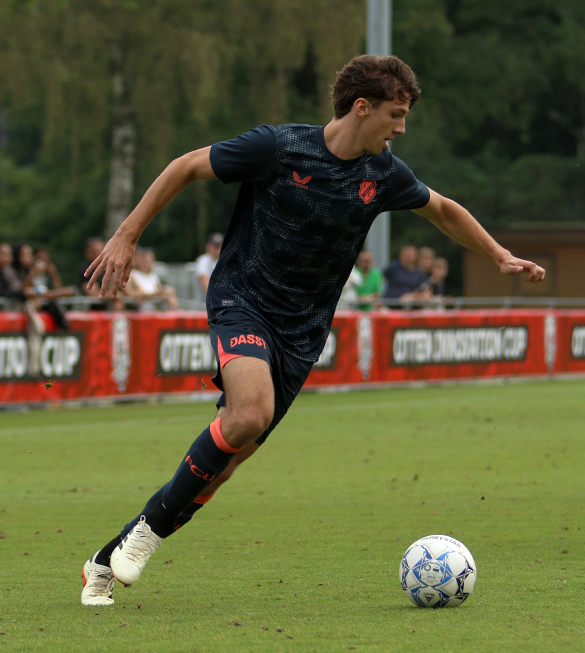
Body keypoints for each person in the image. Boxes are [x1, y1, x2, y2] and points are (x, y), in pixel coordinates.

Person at [80, 54, 545, 606]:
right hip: (242, 300)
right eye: (396, 115)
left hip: (302, 335)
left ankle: (105, 561)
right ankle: (145, 540)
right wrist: (127, 235)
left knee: (223, 465)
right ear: (361, 107)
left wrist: (498, 254)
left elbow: (442, 210)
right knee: (249, 413)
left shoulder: (383, 174)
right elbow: (186, 166)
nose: (401, 128)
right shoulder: (277, 147)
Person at [194, 232, 223, 301]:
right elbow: (203, 278)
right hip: (204, 306)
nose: (218, 250)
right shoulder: (204, 260)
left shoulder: (224, 261)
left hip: (220, 304)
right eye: (215, 247)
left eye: (219, 247)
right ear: (208, 247)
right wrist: (215, 299)